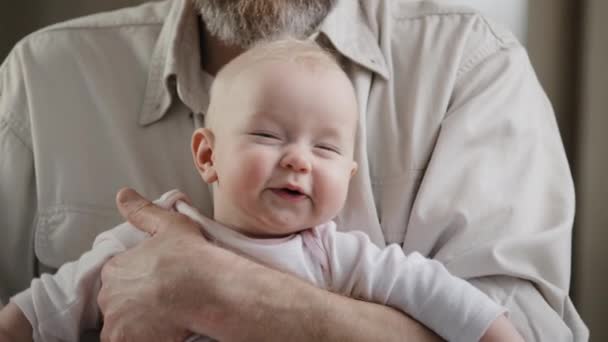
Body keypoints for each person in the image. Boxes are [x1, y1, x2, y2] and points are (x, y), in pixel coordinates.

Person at [0, 0, 588, 341]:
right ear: (207, 155)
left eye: (327, 150)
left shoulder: (472, 65)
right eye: (265, 136)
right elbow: (40, 307)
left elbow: (511, 331)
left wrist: (213, 292)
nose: (298, 162)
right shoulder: (43, 77)